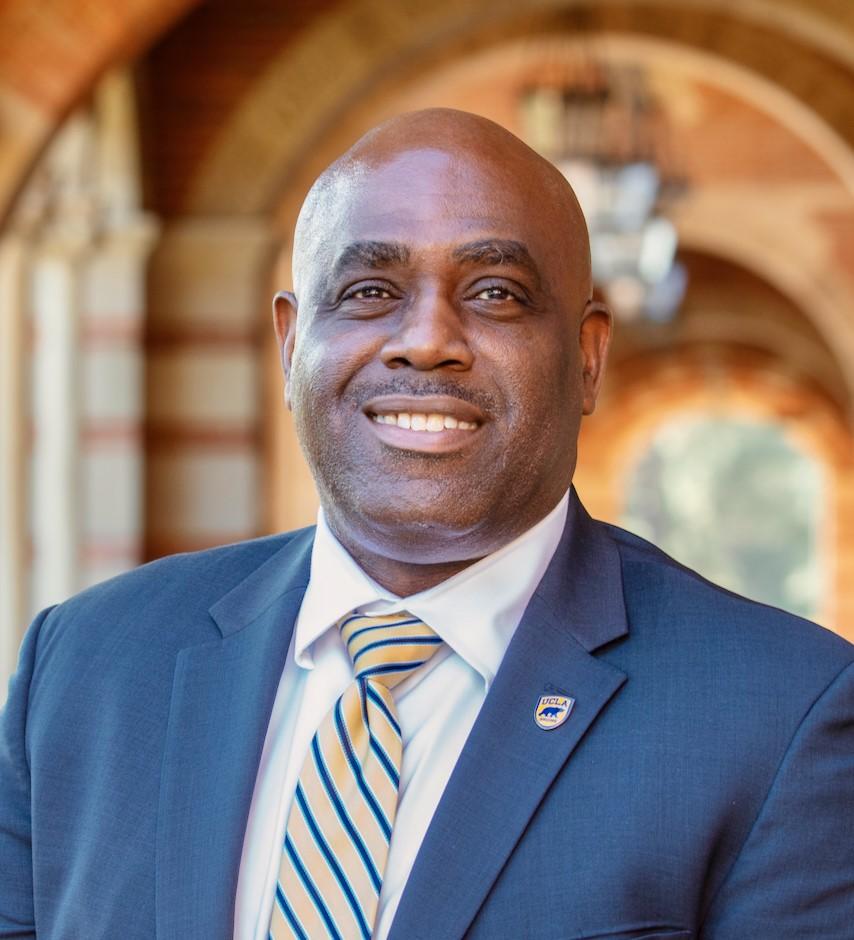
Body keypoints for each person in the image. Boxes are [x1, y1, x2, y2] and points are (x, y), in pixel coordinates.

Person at [0, 108, 852, 940]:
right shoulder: (83, 669)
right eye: (370, 291)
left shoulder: (782, 716)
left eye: (495, 293)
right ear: (292, 344)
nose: (426, 340)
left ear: (587, 358)